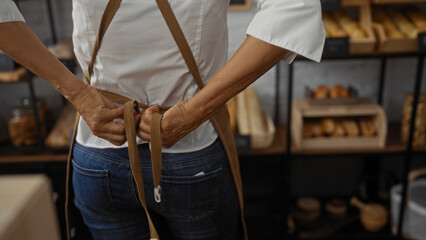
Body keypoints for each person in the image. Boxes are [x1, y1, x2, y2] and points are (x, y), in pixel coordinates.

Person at [0, 0, 325, 239]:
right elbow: (294, 8)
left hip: (98, 152)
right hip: (191, 156)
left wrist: (79, 95)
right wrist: (194, 112)